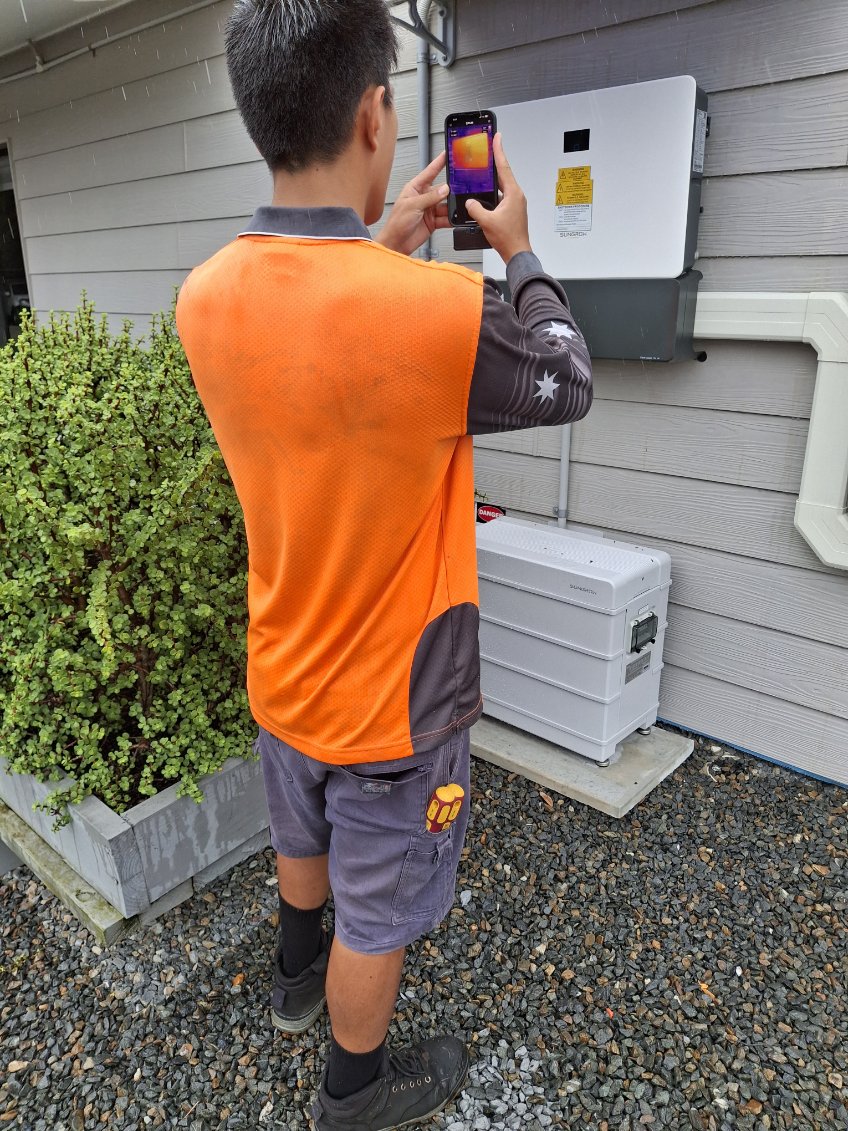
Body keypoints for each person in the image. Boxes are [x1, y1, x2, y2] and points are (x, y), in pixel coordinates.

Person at [176, 1, 593, 1127]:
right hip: (393, 706)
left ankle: (288, 985)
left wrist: (386, 239)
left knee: (300, 834)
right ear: (374, 113)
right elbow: (566, 376)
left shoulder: (202, 297)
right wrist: (516, 249)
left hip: (284, 670)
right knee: (379, 909)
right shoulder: (435, 314)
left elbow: (319, 337)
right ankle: (351, 1095)